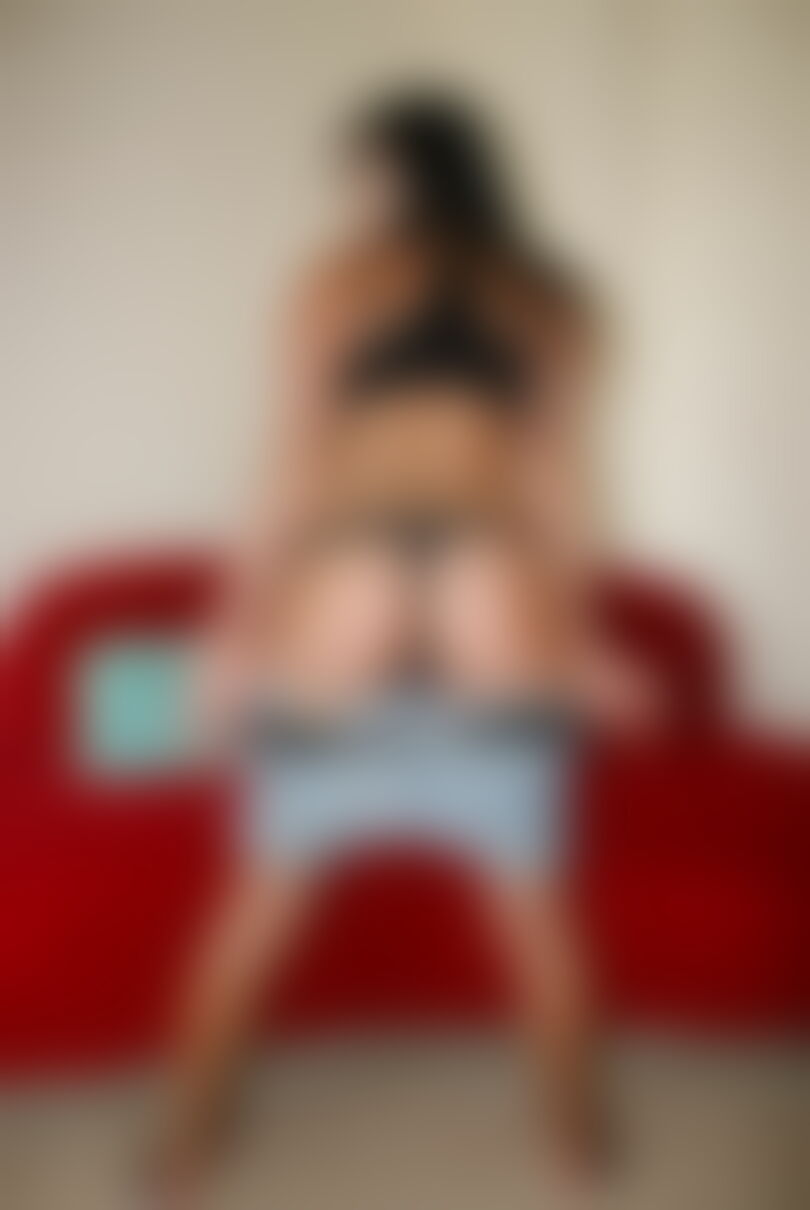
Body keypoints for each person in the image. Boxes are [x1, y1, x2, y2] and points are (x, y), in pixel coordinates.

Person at [152, 91, 652, 1199]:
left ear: (399, 174)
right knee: (533, 906)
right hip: (492, 582)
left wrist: (230, 634)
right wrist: (580, 639)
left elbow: (290, 454)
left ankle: (182, 1147)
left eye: (364, 178)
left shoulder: (341, 277)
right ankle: (580, 1149)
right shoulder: (551, 297)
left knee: (263, 893)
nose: (357, 202)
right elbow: (560, 479)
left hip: (353, 574)